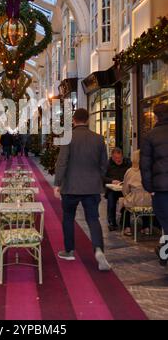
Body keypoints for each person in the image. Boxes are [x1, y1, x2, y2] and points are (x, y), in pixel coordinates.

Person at [54, 108, 111, 271]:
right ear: (88, 120)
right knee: (93, 219)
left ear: (74, 120)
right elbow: (104, 164)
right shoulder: (99, 139)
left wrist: (57, 183)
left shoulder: (68, 138)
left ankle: (69, 250)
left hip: (71, 187)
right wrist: (97, 178)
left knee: (68, 218)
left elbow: (62, 162)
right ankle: (99, 249)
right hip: (92, 187)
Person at [140, 103, 168, 266]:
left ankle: (165, 255)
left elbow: (145, 165)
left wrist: (149, 188)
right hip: (161, 187)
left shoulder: (151, 136)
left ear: (155, 116)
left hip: (161, 189)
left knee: (165, 223)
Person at [121, 150, 152, 236]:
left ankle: (127, 227)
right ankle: (146, 227)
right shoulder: (150, 171)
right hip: (149, 201)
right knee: (145, 202)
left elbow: (125, 190)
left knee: (125, 203)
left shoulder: (130, 171)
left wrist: (126, 195)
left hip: (135, 200)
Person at [104, 148, 131, 232]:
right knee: (111, 200)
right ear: (112, 157)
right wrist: (112, 181)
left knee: (128, 200)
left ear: (122, 156)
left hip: (124, 189)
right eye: (116, 158)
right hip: (112, 189)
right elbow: (102, 177)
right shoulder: (108, 164)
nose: (118, 160)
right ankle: (112, 222)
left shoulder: (128, 163)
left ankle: (125, 221)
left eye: (120, 158)